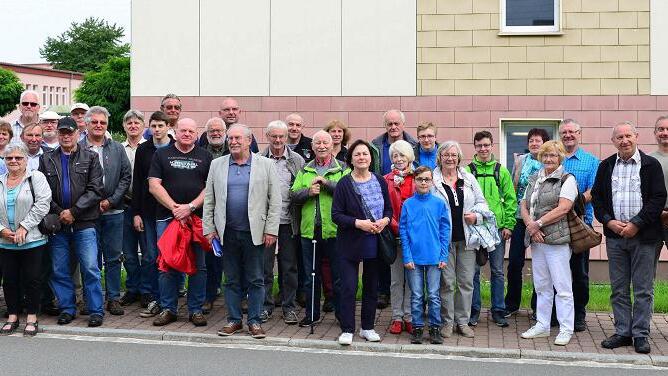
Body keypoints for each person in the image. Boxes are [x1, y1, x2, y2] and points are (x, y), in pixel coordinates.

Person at [592, 122, 666, 354]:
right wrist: (608, 221)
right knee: (619, 288)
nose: (624, 140)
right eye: (619, 137)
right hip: (615, 237)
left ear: (637, 137)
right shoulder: (605, 166)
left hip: (644, 237)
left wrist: (637, 223)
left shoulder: (651, 165)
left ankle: (641, 334)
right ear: (613, 141)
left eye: (628, 136)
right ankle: (623, 332)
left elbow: (657, 198)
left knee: (643, 289)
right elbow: (597, 198)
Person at [203, 124, 280, 339]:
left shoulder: (265, 165)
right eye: (231, 138)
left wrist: (271, 230)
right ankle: (234, 320)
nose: (233, 142)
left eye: (238, 138)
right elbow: (210, 199)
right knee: (231, 279)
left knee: (256, 279)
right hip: (226, 232)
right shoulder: (217, 164)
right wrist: (209, 228)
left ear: (249, 140)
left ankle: (254, 321)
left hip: (255, 233)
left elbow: (275, 200)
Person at [39, 116, 105, 327]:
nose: (66, 136)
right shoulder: (46, 159)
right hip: (58, 224)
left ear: (79, 133)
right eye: (63, 133)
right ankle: (67, 308)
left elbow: (96, 190)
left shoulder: (91, 157)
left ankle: (95, 310)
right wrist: (61, 212)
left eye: (70, 132)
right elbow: (42, 192)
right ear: (58, 135)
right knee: (59, 269)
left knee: (90, 268)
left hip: (84, 222)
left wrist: (74, 212)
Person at [148, 118, 212, 327]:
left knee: (199, 266)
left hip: (197, 218)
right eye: (183, 130)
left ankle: (196, 309)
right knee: (167, 263)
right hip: (168, 217)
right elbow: (154, 185)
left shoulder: (205, 156)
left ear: (196, 134)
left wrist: (190, 207)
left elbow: (209, 188)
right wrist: (175, 208)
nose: (187, 134)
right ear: (176, 131)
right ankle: (168, 308)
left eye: (191, 131)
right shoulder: (162, 154)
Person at [332, 139, 392, 346]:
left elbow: (389, 209)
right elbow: (336, 215)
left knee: (371, 287)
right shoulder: (344, 183)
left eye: (365, 154)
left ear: (371, 157)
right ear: (351, 159)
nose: (361, 157)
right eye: (357, 154)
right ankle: (347, 328)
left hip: (375, 241)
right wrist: (359, 223)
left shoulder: (380, 180)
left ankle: (367, 327)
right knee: (348, 287)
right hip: (350, 242)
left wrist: (384, 221)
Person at [519, 140, 577, 346]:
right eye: (545, 155)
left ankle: (565, 329)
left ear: (560, 157)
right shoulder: (535, 178)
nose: (548, 159)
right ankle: (542, 325)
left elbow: (564, 208)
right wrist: (530, 226)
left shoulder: (567, 179)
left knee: (562, 286)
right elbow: (523, 204)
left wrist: (539, 224)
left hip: (557, 240)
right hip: (537, 239)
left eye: (553, 155)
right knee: (542, 285)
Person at [433, 141, 489, 339]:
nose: (450, 158)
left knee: (466, 282)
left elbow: (482, 203)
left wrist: (477, 216)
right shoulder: (432, 179)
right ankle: (446, 323)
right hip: (443, 241)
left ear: (459, 158)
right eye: (446, 155)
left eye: (454, 155)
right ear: (440, 157)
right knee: (446, 283)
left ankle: (463, 322)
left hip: (467, 239)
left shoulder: (468, 178)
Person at [291, 131, 347, 327]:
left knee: (338, 276)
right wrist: (308, 191)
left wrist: (326, 183)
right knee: (310, 276)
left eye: (325, 143)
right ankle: (312, 314)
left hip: (334, 231)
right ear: (312, 147)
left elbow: (347, 192)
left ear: (332, 146)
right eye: (317, 143)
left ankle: (342, 315)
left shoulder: (343, 169)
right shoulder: (305, 170)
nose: (321, 146)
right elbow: (293, 195)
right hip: (309, 231)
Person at [79, 106, 132, 316]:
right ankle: (89, 298)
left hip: (114, 211)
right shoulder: (78, 147)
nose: (99, 125)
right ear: (87, 124)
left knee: (113, 257)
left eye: (103, 122)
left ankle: (113, 298)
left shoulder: (117, 148)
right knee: (90, 259)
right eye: (95, 122)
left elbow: (125, 177)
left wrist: (111, 200)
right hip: (86, 214)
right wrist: (88, 203)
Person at [466, 131, 516, 327]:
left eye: (486, 145)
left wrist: (509, 225)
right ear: (475, 147)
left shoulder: (500, 170)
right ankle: (474, 310)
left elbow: (511, 200)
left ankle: (498, 310)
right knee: (474, 272)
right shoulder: (468, 171)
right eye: (479, 146)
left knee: (497, 271)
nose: (483, 149)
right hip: (475, 229)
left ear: (492, 145)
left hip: (496, 230)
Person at [0, 143, 51, 336]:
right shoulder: (0, 180)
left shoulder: (35, 177)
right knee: (10, 280)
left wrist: (24, 226)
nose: (13, 161)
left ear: (26, 160)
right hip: (5, 241)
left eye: (18, 158)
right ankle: (12, 316)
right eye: (9, 158)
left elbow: (43, 203)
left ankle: (31, 317)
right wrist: (2, 230)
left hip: (33, 240)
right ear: (4, 161)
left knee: (32, 279)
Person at [370, 110, 418, 309]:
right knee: (392, 270)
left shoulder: (417, 177)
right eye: (389, 123)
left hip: (413, 228)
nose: (393, 127)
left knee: (413, 275)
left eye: (396, 123)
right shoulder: (377, 148)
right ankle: (394, 308)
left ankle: (411, 313)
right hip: (390, 224)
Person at [260, 120, 305, 324]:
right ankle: (266, 306)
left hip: (289, 222)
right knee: (264, 267)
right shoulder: (259, 159)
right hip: (264, 222)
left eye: (281, 136)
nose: (278, 140)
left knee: (289, 267)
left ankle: (289, 307)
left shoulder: (297, 160)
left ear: (286, 137)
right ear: (267, 136)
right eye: (274, 136)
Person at [400, 166, 450, 345]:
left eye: (427, 179)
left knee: (434, 295)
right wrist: (407, 256)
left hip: (435, 258)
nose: (423, 182)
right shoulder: (408, 204)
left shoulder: (439, 204)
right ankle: (418, 328)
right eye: (420, 179)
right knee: (417, 295)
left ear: (432, 181)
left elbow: (445, 231)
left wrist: (444, 256)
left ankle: (435, 328)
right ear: (414, 181)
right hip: (414, 258)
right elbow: (403, 232)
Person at [133, 111, 174, 316]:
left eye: (160, 126)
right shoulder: (143, 150)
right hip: (148, 211)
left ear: (168, 126)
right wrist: (136, 213)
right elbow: (138, 182)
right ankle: (151, 294)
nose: (157, 130)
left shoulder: (175, 146)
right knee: (150, 255)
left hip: (170, 210)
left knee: (168, 255)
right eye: (154, 126)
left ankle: (170, 295)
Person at [504, 128, 549, 318]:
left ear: (545, 143)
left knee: (540, 264)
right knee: (515, 262)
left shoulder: (549, 161)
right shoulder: (521, 160)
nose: (534, 144)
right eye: (531, 140)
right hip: (519, 218)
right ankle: (512, 304)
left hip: (541, 220)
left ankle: (537, 306)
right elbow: (514, 187)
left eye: (538, 140)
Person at [384, 140, 415, 335]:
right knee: (396, 280)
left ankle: (410, 316)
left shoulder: (417, 177)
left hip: (413, 236)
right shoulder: (385, 179)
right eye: (395, 156)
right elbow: (383, 207)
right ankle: (396, 317)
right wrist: (396, 226)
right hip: (393, 234)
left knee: (412, 279)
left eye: (402, 155)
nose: (399, 159)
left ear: (409, 157)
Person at [119, 110, 147, 307]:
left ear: (143, 126)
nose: (133, 126)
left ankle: (146, 290)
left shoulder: (150, 148)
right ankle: (133, 288)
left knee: (147, 252)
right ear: (124, 126)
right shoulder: (119, 149)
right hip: (124, 205)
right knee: (128, 253)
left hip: (146, 208)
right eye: (129, 123)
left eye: (137, 122)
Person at [201, 117, 227, 314]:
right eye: (212, 131)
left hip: (232, 212)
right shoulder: (201, 152)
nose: (216, 134)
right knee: (210, 257)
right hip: (208, 209)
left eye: (219, 130)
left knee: (237, 258)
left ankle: (241, 296)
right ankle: (209, 296)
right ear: (206, 133)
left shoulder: (235, 149)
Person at [651, 115, 668, 277]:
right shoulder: (648, 160)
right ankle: (647, 304)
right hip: (652, 219)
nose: (664, 132)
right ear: (654, 133)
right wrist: (657, 212)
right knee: (648, 270)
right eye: (660, 129)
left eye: (667, 129)